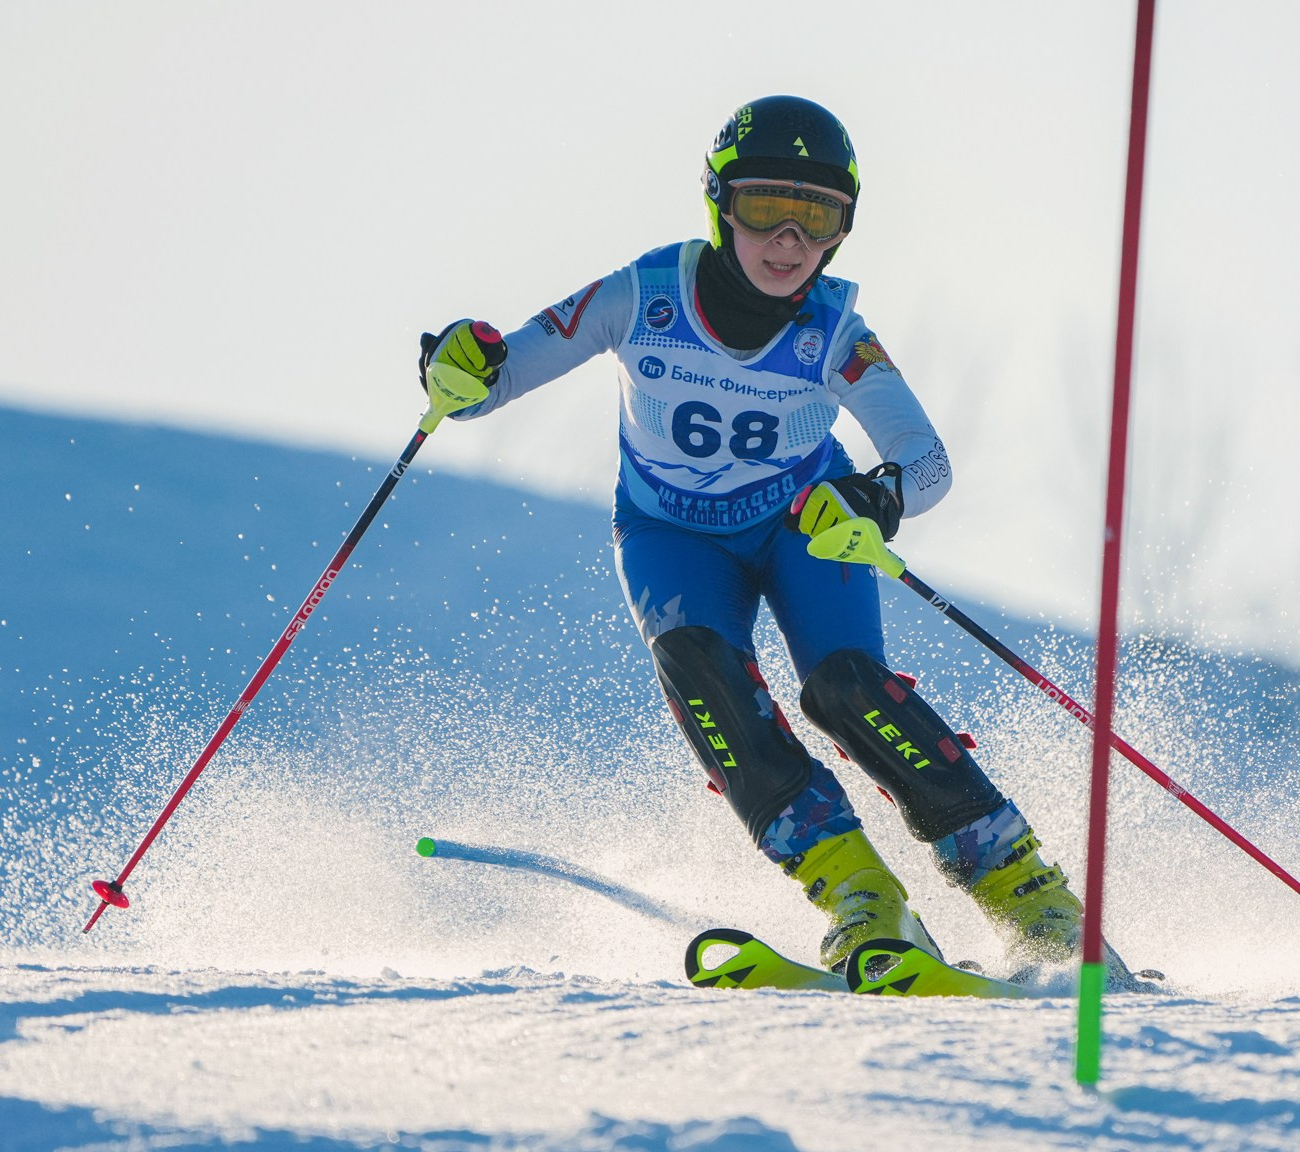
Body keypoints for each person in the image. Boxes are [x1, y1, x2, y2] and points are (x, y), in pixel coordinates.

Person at [420, 94, 1092, 974]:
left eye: (816, 217)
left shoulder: (833, 330)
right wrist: (458, 369)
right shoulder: (643, 295)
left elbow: (926, 462)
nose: (788, 241)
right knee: (703, 673)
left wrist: (874, 502)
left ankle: (1028, 896)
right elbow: (491, 380)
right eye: (764, 209)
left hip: (801, 527)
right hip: (671, 536)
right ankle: (860, 895)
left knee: (848, 688)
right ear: (719, 206)